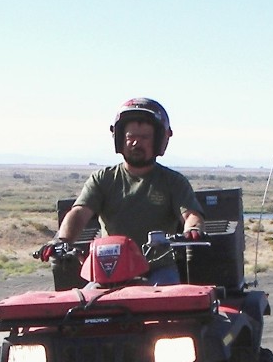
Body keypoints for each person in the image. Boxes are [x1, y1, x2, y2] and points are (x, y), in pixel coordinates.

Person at [40, 97, 205, 285]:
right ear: (120, 139)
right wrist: (62, 240)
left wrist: (193, 229)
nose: (136, 143)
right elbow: (79, 212)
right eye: (130, 137)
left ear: (159, 139)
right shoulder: (103, 178)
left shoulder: (173, 181)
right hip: (109, 269)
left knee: (168, 306)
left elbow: (191, 214)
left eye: (144, 137)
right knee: (84, 306)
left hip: (158, 269)